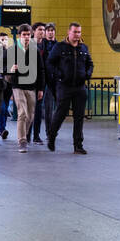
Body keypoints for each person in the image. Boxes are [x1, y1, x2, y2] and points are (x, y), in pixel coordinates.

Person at [46, 22, 94, 154]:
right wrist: (58, 75)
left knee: (79, 117)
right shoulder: (59, 47)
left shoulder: (84, 48)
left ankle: (78, 145)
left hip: (80, 87)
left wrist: (87, 74)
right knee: (60, 114)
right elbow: (50, 63)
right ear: (69, 32)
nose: (77, 35)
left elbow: (90, 64)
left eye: (79, 32)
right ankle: (51, 136)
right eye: (75, 32)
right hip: (64, 86)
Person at [8, 24, 45, 153]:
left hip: (32, 86)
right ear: (20, 36)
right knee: (22, 113)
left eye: (28, 34)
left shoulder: (35, 51)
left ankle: (25, 135)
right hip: (17, 85)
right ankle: (22, 141)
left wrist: (40, 89)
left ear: (31, 35)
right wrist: (11, 69)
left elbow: (41, 70)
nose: (26, 37)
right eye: (24, 34)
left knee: (30, 115)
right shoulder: (12, 50)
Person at [28, 24, 49, 144]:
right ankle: (27, 134)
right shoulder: (28, 44)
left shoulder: (46, 45)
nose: (42, 32)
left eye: (43, 30)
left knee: (38, 110)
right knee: (28, 110)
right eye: (40, 29)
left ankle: (36, 135)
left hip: (41, 81)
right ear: (33, 31)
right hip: (29, 81)